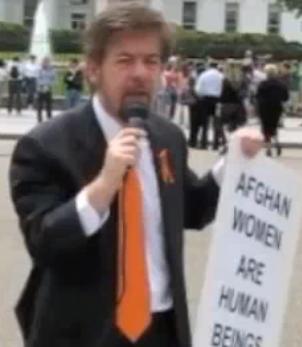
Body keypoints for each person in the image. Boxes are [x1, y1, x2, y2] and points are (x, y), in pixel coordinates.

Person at [9, 4, 263, 347]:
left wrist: (230, 163)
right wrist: (104, 184)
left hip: (161, 329)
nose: (141, 73)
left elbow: (193, 209)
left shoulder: (167, 137)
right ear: (94, 69)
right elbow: (44, 242)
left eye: (151, 61)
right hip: (83, 333)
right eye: (125, 61)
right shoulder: (44, 146)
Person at [256, 64, 288, 157]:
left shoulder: (262, 84)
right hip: (276, 108)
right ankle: (277, 142)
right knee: (274, 126)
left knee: (265, 128)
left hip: (264, 108)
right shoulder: (281, 84)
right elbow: (286, 97)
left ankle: (268, 148)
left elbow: (258, 96)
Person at [194, 61, 224, 150]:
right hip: (217, 100)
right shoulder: (221, 76)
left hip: (205, 99)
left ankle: (204, 143)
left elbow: (198, 89)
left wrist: (200, 96)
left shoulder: (204, 75)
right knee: (216, 122)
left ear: (209, 66)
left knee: (205, 122)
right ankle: (216, 144)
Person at [36, 57, 56, 122]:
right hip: (41, 89)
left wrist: (48, 85)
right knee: (39, 105)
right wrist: (43, 85)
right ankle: (39, 119)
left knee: (49, 105)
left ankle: (49, 117)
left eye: (47, 62)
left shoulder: (52, 70)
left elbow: (54, 79)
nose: (45, 64)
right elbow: (37, 79)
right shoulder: (39, 70)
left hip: (48, 89)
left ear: (49, 63)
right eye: (44, 62)